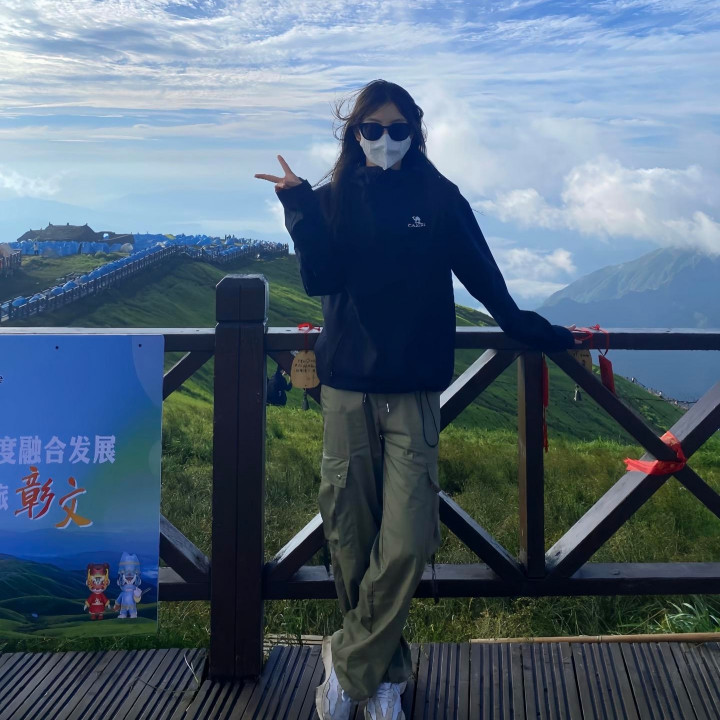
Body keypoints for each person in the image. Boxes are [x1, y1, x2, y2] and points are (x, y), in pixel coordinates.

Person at [256, 79, 578, 720]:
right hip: (346, 387)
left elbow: (483, 276)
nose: (385, 139)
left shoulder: (439, 197)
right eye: (372, 129)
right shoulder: (330, 199)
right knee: (350, 536)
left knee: (406, 540)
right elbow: (320, 278)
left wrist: (527, 325)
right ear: (354, 135)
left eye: (398, 128)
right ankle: (387, 676)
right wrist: (298, 207)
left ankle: (347, 666)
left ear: (416, 133)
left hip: (414, 391)